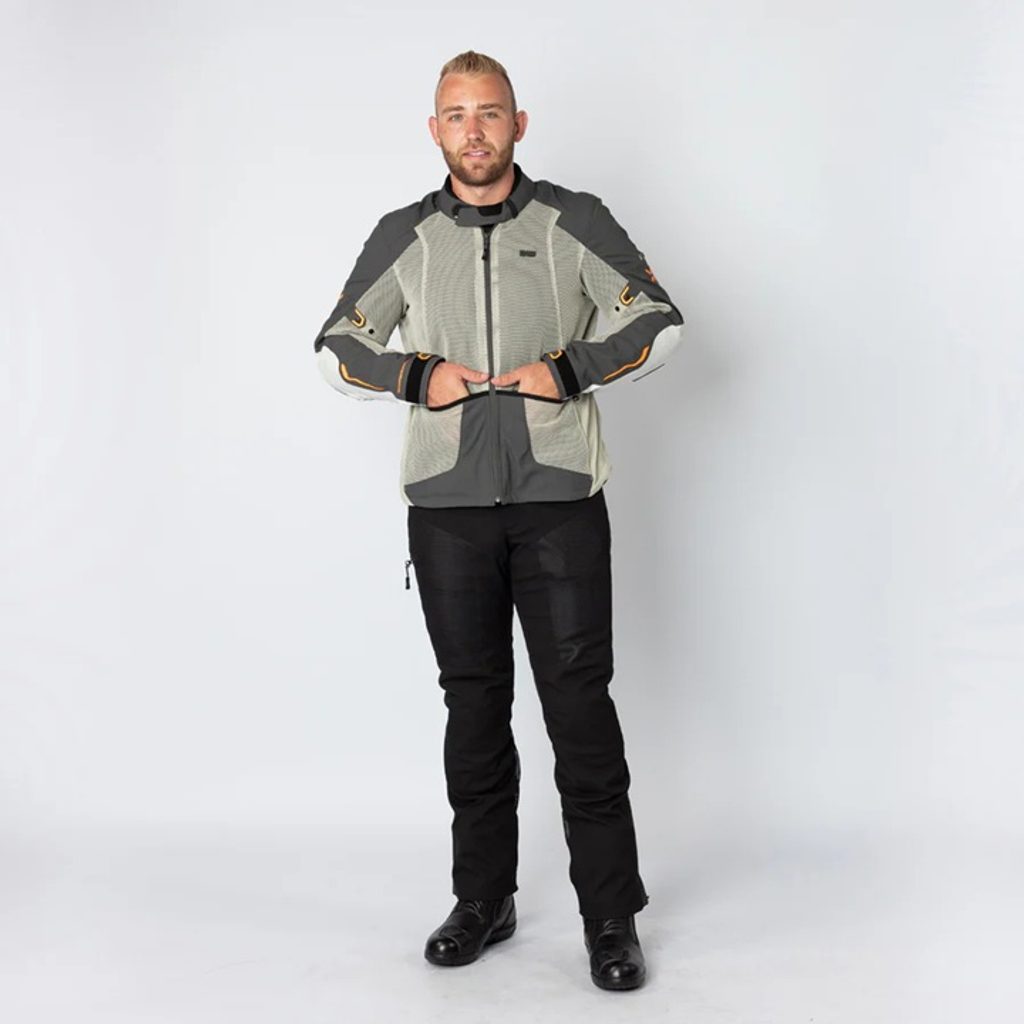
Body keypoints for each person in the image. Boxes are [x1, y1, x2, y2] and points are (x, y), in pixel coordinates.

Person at [312, 50, 684, 991]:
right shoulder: (405, 234)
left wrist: (569, 370)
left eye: (489, 113)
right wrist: (412, 375)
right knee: (473, 709)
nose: (473, 130)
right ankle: (483, 898)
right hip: (447, 512)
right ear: (434, 130)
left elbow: (658, 319)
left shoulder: (572, 219)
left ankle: (610, 917)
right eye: (456, 115)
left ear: (519, 124)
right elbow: (337, 345)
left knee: (579, 711)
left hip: (560, 503)